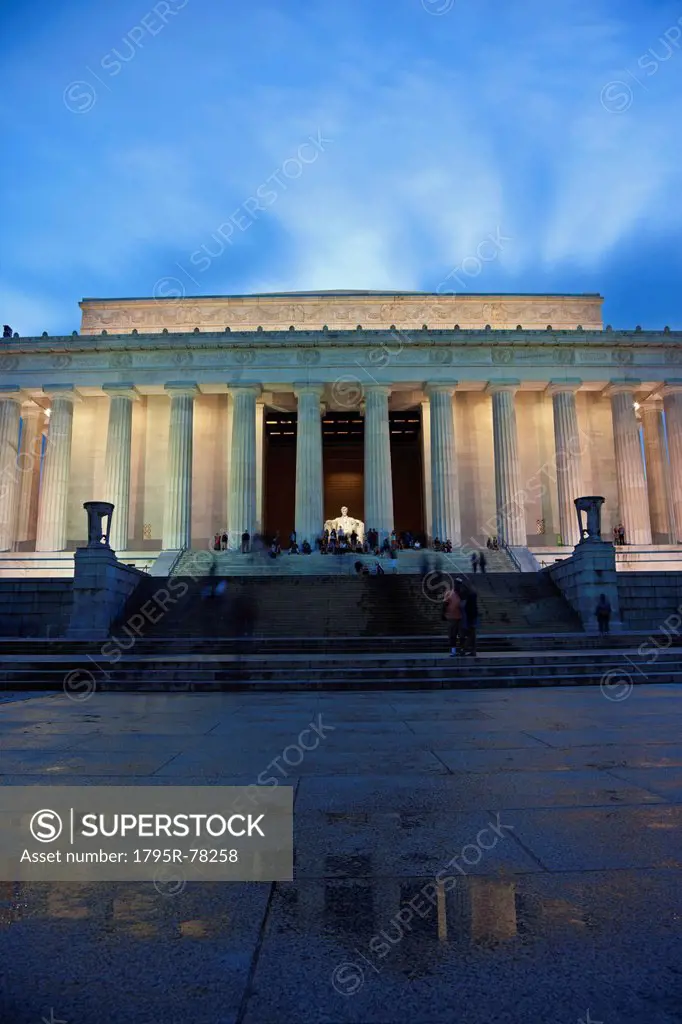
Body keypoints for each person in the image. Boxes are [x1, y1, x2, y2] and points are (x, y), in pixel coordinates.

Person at [443, 581, 463, 656]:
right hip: (452, 617)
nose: (458, 586)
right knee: (452, 634)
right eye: (457, 584)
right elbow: (445, 604)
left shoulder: (462, 594)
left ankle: (461, 650)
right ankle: (453, 651)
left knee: (461, 635)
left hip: (461, 618)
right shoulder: (449, 593)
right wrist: (443, 614)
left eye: (460, 585)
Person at [460, 580, 479, 657]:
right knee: (472, 635)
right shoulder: (470, 595)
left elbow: (471, 608)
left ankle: (464, 649)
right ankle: (473, 651)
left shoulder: (470, 596)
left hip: (470, 618)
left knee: (470, 634)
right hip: (470, 617)